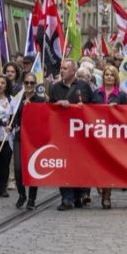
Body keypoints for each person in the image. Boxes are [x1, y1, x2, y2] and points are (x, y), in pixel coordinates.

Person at [49, 59, 94, 210]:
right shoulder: (55, 88)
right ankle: (66, 198)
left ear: (74, 71)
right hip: (62, 134)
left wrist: (84, 108)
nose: (62, 70)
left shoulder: (84, 86)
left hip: (81, 134)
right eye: (61, 68)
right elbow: (49, 109)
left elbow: (95, 107)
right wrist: (58, 104)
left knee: (78, 165)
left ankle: (77, 195)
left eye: (65, 68)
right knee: (63, 164)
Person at [95, 64, 127, 210]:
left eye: (111, 75)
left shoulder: (121, 95)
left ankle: (107, 196)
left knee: (108, 165)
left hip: (113, 134)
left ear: (115, 77)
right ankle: (100, 187)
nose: (108, 77)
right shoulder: (96, 93)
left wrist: (118, 110)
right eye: (106, 75)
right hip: (97, 133)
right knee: (97, 164)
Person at [11, 72, 46, 210]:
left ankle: (32, 198)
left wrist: (29, 107)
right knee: (18, 168)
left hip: (33, 138)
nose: (29, 85)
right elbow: (13, 117)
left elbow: (43, 118)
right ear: (23, 84)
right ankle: (22, 194)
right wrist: (10, 125)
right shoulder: (18, 99)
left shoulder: (40, 100)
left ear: (35, 84)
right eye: (26, 83)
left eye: (32, 83)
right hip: (20, 136)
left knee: (32, 168)